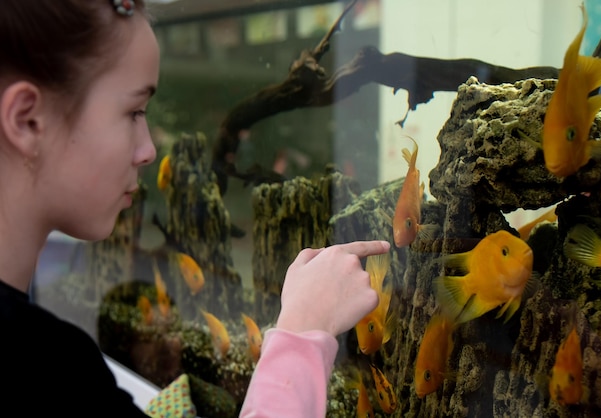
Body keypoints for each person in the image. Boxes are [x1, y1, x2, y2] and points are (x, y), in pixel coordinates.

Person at [0, 1, 391, 417]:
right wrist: (304, 330)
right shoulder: (49, 368)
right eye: (133, 111)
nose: (149, 149)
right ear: (27, 120)